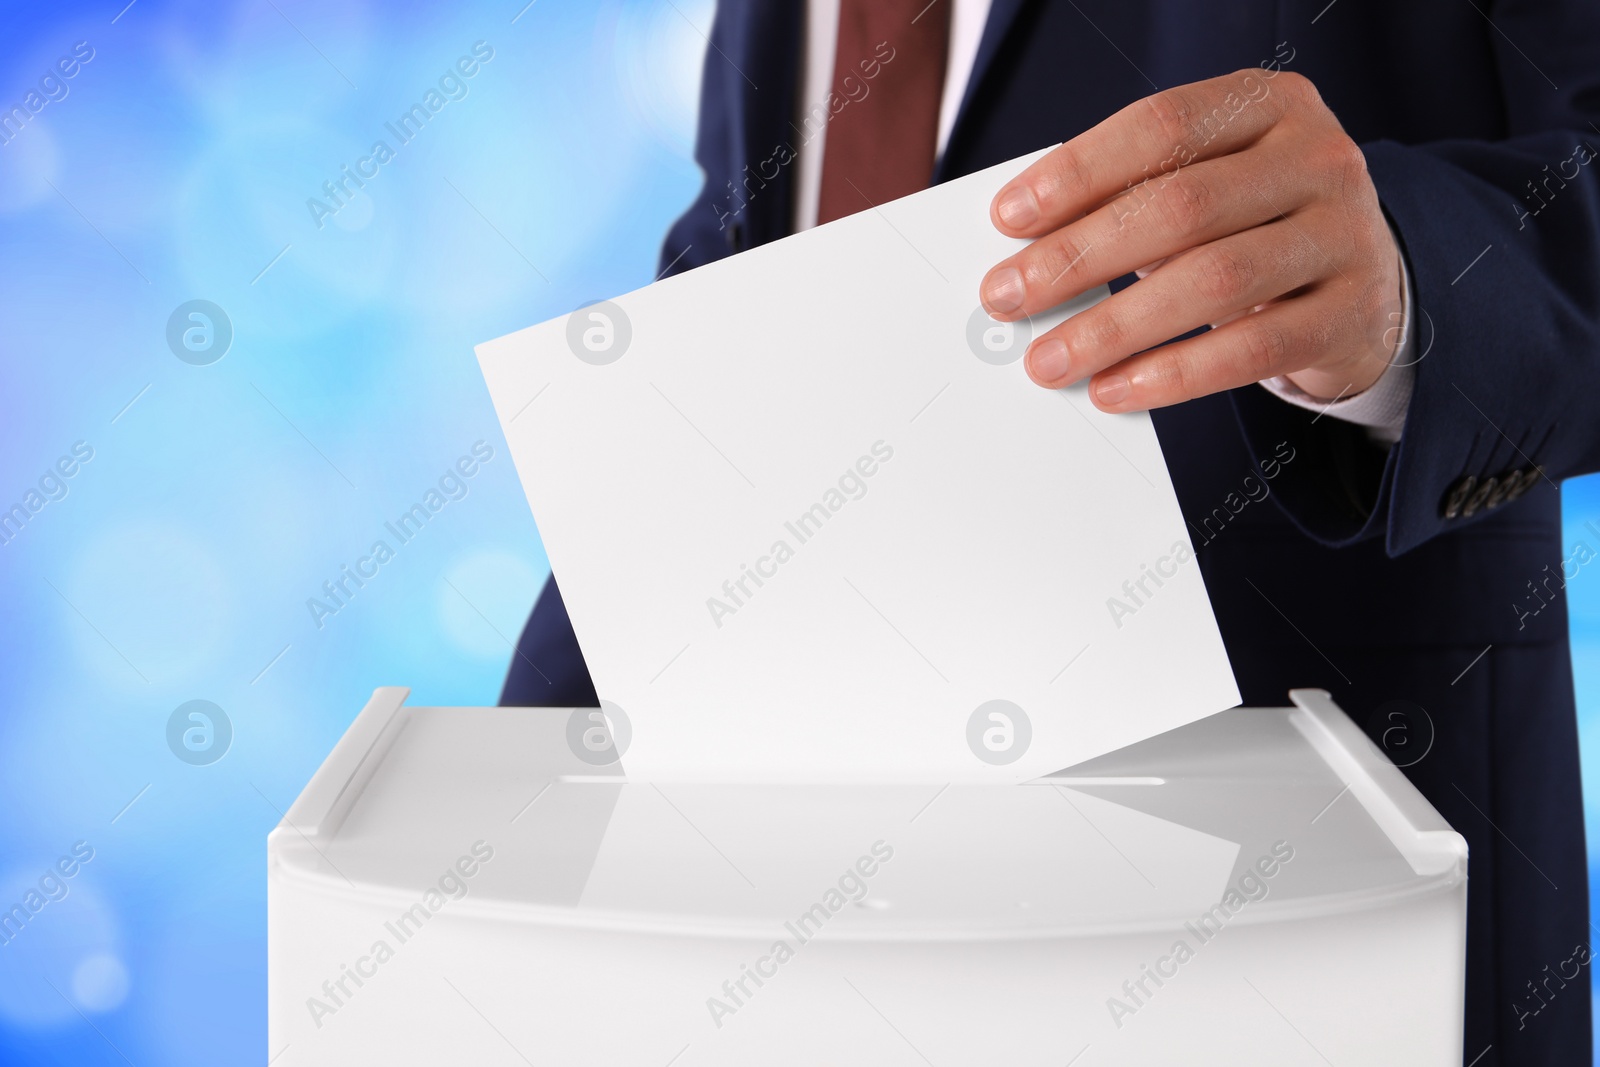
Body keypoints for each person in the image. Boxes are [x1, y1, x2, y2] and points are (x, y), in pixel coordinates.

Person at [503, 2, 1600, 1061]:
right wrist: (507, 773)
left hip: (1317, 925)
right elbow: (760, 260)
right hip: (812, 927)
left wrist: (1405, 280)